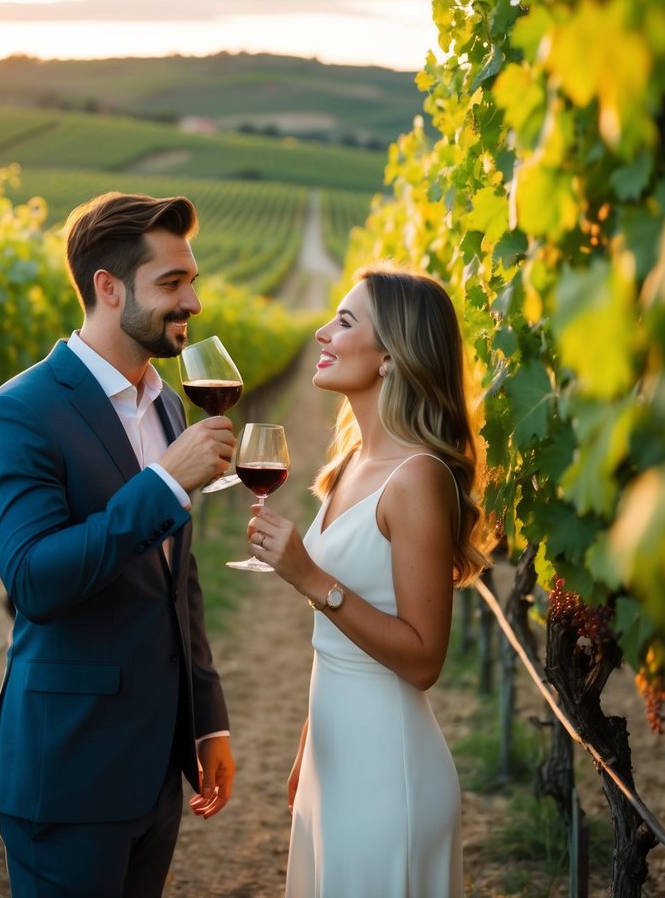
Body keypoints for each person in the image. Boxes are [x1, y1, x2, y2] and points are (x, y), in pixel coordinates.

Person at [0, 191, 237, 898]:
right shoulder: (17, 414)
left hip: (155, 768)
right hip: (69, 774)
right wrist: (162, 485)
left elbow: (178, 581)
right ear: (108, 289)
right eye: (172, 284)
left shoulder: (170, 402)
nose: (194, 302)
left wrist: (206, 721)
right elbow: (35, 581)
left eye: (192, 280)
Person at [246, 264, 488, 897]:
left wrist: (309, 576)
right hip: (336, 756)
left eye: (345, 321)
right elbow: (339, 647)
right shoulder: (352, 460)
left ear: (391, 355)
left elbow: (423, 657)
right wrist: (308, 745)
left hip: (388, 772)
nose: (323, 333)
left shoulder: (416, 478)